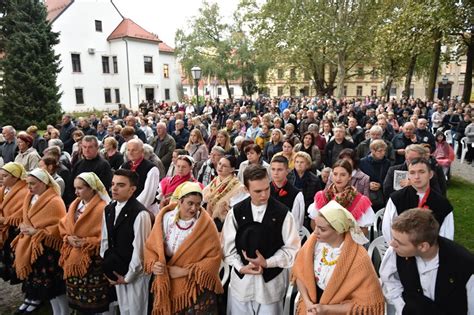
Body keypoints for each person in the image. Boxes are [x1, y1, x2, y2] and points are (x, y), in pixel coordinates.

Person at [222, 164, 300, 314]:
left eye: (267, 189)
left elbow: (292, 249)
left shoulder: (283, 214)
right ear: (246, 189)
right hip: (242, 284)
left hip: (270, 286)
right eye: (258, 191)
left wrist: (268, 262)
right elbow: (228, 248)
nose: (264, 195)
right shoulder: (236, 213)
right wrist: (240, 267)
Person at [292, 201, 384, 315]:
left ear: (339, 230)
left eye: (322, 229)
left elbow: (365, 304)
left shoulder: (359, 258)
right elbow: (300, 274)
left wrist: (325, 310)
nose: (315, 232)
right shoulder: (313, 243)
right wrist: (308, 303)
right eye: (316, 226)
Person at [144, 182, 224, 314]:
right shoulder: (165, 218)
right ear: (180, 201)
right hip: (166, 275)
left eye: (198, 204)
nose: (194, 208)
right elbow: (151, 247)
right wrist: (155, 264)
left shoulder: (205, 224)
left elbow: (214, 257)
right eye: (190, 203)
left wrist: (185, 272)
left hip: (194, 284)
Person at [380, 209, 474, 315]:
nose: (392, 244)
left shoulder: (465, 265)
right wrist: (403, 308)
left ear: (423, 246)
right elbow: (388, 280)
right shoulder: (396, 251)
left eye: (399, 242)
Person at [12, 168, 67, 314]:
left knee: (53, 286)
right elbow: (26, 218)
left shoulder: (55, 201)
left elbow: (59, 226)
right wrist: (24, 226)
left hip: (47, 248)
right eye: (28, 183)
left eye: (33, 184)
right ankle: (40, 303)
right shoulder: (29, 197)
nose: (29, 187)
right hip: (32, 245)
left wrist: (37, 231)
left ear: (44, 183)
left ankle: (63, 312)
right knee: (40, 284)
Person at [100, 169, 153, 315]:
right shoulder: (109, 209)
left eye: (121, 185)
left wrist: (128, 277)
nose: (114, 188)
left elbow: (140, 249)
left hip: (136, 275)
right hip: (118, 270)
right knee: (124, 310)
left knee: (136, 311)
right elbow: (105, 240)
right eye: (113, 184)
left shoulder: (140, 214)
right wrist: (109, 269)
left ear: (132, 189)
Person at [58, 173, 112, 314]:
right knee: (78, 294)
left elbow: (106, 235)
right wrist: (68, 237)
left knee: (95, 298)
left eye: (80, 188)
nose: (76, 192)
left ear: (92, 188)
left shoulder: (102, 208)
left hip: (92, 258)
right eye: (75, 188)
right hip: (74, 254)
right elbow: (64, 224)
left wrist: (87, 241)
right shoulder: (74, 205)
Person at [382, 158, 454, 243]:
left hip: (430, 252)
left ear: (430, 174)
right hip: (402, 250)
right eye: (412, 173)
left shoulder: (442, 203)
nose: (417, 177)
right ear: (408, 175)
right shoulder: (397, 198)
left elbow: (447, 234)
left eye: (421, 172)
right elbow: (388, 227)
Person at [309, 159, 375, 234]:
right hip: (325, 240)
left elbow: (363, 230)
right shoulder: (322, 196)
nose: (338, 178)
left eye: (343, 175)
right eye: (335, 174)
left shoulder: (359, 200)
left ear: (349, 176)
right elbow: (314, 222)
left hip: (348, 242)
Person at [0, 163, 29, 285]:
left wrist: (4, 220)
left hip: (14, 229)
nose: (1, 178)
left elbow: (21, 213)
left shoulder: (24, 192)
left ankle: (20, 276)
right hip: (4, 227)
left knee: (15, 255)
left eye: (5, 176)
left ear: (15, 177)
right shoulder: (2, 189)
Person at [203, 155, 246, 232]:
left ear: (232, 169)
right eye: (219, 164)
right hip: (208, 216)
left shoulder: (238, 187)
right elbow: (205, 198)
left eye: (224, 166)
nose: (220, 167)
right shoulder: (215, 180)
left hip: (224, 222)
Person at [121, 139, 161, 214]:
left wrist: (132, 208)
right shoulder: (124, 166)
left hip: (145, 209)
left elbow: (148, 195)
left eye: (134, 150)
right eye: (128, 150)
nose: (130, 153)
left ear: (142, 151)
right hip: (125, 207)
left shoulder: (151, 168)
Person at [287, 152, 323, 230]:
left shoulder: (315, 179)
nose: (299, 164)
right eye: (297, 162)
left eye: (302, 162)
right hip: (291, 210)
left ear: (307, 164)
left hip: (307, 212)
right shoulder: (288, 176)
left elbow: (318, 199)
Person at [269, 155, 306, 231]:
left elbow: (297, 223)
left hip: (286, 233)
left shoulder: (296, 194)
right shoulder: (264, 189)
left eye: (279, 169)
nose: (275, 173)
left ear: (287, 171)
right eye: (273, 169)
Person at [359, 140, 391, 211]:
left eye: (384, 151)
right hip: (367, 196)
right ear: (372, 151)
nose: (383, 153)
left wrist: (381, 185)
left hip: (382, 197)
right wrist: (368, 184)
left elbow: (389, 178)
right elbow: (359, 179)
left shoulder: (387, 163)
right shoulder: (362, 162)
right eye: (380, 151)